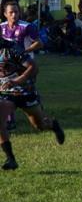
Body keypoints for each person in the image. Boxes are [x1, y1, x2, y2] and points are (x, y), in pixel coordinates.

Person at [0, 37, 66, 169]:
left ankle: (53, 125)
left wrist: (18, 80)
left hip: (25, 92)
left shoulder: (12, 48)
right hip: (5, 93)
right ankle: (11, 159)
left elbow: (33, 67)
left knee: (39, 125)